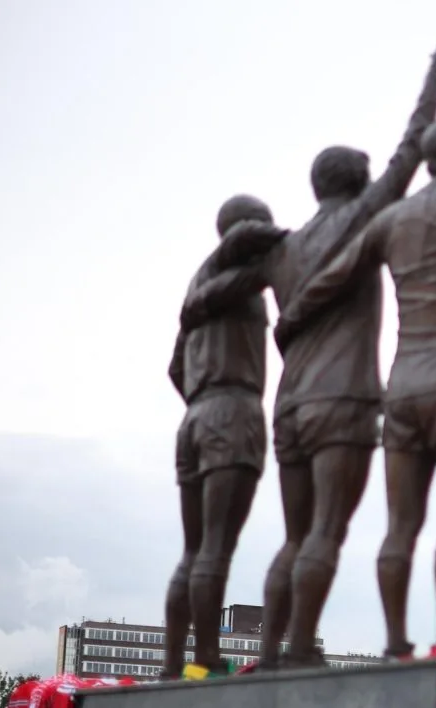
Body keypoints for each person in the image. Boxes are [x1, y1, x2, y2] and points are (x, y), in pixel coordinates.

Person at [180, 38, 436, 667]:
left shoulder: (282, 248)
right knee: (326, 531)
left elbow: (204, 299)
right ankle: (300, 648)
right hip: (344, 401)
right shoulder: (362, 216)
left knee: (294, 536)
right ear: (357, 181)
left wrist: (225, 253)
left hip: (288, 407)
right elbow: (414, 144)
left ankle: (272, 653)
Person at [275, 115, 436, 657]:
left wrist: (289, 320)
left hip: (403, 386)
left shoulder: (393, 218)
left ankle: (394, 644)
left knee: (399, 527)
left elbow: (330, 278)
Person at [163, 194, 280, 676]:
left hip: (194, 417)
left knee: (193, 550)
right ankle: (206, 654)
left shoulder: (198, 287)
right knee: (215, 546)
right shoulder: (238, 282)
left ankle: (174, 665)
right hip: (232, 412)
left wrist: (200, 398)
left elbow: (174, 367)